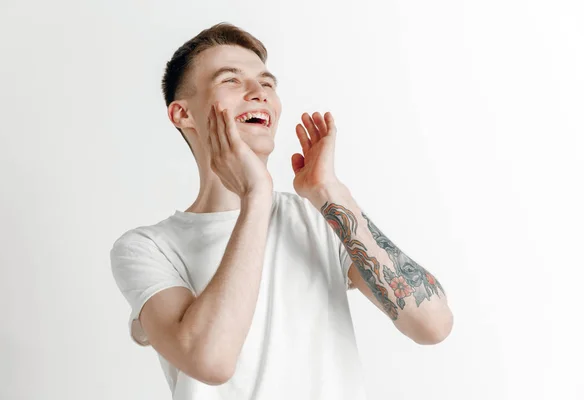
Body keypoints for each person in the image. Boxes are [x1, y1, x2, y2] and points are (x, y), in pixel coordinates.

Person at [110, 22, 454, 399]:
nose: (259, 93)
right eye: (231, 81)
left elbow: (432, 324)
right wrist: (256, 196)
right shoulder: (147, 248)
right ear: (183, 114)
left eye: (268, 83)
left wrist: (329, 192)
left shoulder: (319, 218)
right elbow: (211, 361)